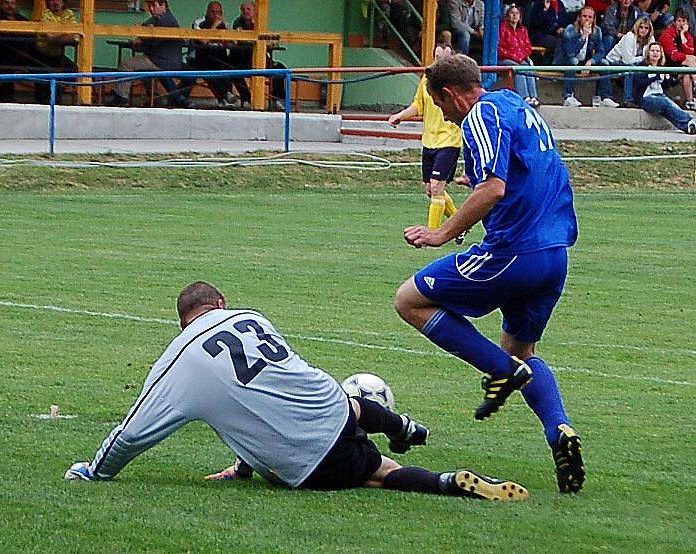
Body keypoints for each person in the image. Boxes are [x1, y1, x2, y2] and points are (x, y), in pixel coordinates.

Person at [64, 281, 530, 503]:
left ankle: (446, 481)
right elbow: (267, 389)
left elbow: (131, 434)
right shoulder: (252, 317)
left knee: (379, 474)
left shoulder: (178, 358)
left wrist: (95, 472)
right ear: (221, 304)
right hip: (335, 408)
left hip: (303, 458)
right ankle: (407, 428)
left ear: (183, 321)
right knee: (344, 416)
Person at [394, 54, 585, 495]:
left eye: (440, 108)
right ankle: (560, 431)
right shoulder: (517, 105)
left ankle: (503, 371)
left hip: (514, 251)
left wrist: (442, 232)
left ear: (448, 94)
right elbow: (522, 173)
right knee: (523, 349)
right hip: (555, 252)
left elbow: (495, 189)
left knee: (409, 300)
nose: (445, 116)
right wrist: (476, 181)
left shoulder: (478, 112)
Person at [388, 36, 465, 237]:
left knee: (437, 187)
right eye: (436, 58)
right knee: (431, 190)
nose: (438, 63)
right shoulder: (426, 79)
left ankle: (432, 233)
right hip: (429, 142)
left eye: (444, 59)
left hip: (449, 141)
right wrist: (400, 116)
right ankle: (460, 226)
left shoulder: (456, 83)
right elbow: (418, 105)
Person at [107, 0, 192, 109]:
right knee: (143, 67)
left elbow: (153, 41)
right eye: (149, 5)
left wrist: (140, 39)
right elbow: (147, 32)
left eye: (154, 5)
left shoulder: (165, 21)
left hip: (162, 61)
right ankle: (155, 97)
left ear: (163, 5)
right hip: (162, 59)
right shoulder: (157, 19)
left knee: (127, 64)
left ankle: (121, 97)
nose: (151, 9)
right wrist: (142, 35)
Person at [554, 6, 619, 107]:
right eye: (584, 16)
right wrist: (583, 37)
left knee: (604, 63)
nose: (587, 19)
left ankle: (605, 97)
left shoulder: (597, 31)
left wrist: (591, 61)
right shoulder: (570, 30)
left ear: (593, 19)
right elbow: (570, 53)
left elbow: (600, 52)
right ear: (579, 17)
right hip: (566, 61)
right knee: (574, 61)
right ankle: (568, 96)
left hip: (585, 62)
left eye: (590, 17)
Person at [178, 1, 239, 109]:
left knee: (227, 64)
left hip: (216, 59)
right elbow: (204, 40)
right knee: (210, 66)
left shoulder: (224, 24)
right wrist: (215, 26)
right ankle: (225, 95)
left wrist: (227, 31)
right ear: (207, 12)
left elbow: (232, 42)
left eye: (219, 12)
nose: (216, 15)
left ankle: (226, 96)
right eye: (213, 12)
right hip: (198, 58)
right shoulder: (198, 23)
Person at [230, 0, 286, 110]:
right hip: (242, 58)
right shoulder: (238, 22)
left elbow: (268, 41)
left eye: (248, 9)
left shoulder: (260, 22)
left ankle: (277, 99)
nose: (245, 12)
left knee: (280, 68)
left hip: (260, 58)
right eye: (243, 9)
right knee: (233, 70)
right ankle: (246, 98)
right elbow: (236, 40)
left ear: (255, 11)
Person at [633, 42, 696, 132]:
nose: (655, 53)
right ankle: (690, 121)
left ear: (661, 54)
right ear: (648, 53)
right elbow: (639, 83)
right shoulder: (642, 66)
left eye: (658, 51)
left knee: (671, 106)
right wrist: (656, 77)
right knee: (665, 103)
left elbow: (667, 86)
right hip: (645, 97)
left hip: (660, 95)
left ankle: (688, 127)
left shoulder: (662, 67)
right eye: (652, 51)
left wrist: (667, 79)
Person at [0, 0, 32, 103]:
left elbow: (30, 36)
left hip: (21, 55)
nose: (10, 6)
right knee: (9, 58)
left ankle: (46, 97)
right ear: (0, 4)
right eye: (7, 3)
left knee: (44, 61)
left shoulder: (22, 20)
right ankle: (6, 97)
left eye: (13, 3)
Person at [34, 0, 78, 104]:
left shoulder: (69, 14)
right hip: (42, 53)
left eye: (58, 0)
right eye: (52, 0)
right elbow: (49, 35)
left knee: (73, 70)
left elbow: (75, 33)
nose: (55, 3)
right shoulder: (45, 14)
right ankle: (43, 100)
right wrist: (64, 33)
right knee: (46, 72)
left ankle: (58, 95)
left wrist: (58, 35)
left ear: (63, 2)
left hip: (58, 54)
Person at [605, 16, 655, 106]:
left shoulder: (651, 39)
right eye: (641, 27)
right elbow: (627, 61)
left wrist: (644, 59)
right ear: (637, 27)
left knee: (644, 69)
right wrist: (643, 58)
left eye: (646, 28)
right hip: (614, 63)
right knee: (631, 69)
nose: (643, 30)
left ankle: (644, 98)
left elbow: (651, 59)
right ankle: (628, 100)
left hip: (633, 64)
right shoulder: (630, 36)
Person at [498, 4, 540, 106]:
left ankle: (533, 96)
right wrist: (515, 56)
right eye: (512, 13)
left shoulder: (523, 30)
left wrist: (520, 56)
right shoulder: (502, 28)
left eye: (517, 13)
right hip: (505, 59)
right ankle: (524, 96)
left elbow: (528, 47)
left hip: (520, 59)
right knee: (519, 68)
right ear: (507, 16)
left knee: (527, 67)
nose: (514, 16)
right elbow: (499, 48)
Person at [659, 9, 696, 109]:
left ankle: (690, 102)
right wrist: (686, 57)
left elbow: (691, 51)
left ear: (687, 23)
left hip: (682, 68)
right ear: (674, 22)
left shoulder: (688, 36)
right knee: (690, 59)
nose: (681, 24)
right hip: (668, 68)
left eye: (684, 21)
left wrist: (683, 35)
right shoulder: (667, 34)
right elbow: (673, 56)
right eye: (679, 21)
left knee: (687, 73)